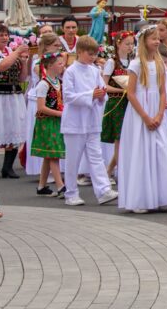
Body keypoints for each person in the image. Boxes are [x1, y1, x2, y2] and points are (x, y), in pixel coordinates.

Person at [117, 25, 167, 214]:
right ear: (144, 41)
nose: (157, 41)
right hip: (140, 113)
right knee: (141, 151)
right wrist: (146, 117)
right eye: (153, 38)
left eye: (158, 39)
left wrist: (160, 115)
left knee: (160, 151)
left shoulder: (160, 63)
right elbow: (131, 94)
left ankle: (161, 196)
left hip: (157, 112)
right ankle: (141, 198)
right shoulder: (136, 64)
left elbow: (162, 92)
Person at [59, 35, 118, 207]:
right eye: (89, 54)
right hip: (74, 123)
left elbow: (103, 91)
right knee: (73, 159)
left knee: (96, 157)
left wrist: (100, 95)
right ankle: (71, 193)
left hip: (92, 120)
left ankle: (103, 190)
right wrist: (91, 95)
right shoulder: (70, 72)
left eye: (94, 54)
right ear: (79, 52)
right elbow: (68, 97)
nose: (93, 57)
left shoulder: (94, 71)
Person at [25, 32, 63, 177]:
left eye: (59, 45)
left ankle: (48, 176)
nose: (58, 48)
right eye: (55, 46)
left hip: (52, 100)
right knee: (45, 136)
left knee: (53, 137)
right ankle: (41, 170)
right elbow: (44, 77)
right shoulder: (38, 62)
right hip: (40, 101)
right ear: (46, 47)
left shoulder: (56, 61)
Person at [0, 23, 31, 178]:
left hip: (13, 95)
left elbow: (23, 78)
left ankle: (8, 167)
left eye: (6, 35)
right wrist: (17, 52)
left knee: (13, 127)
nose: (4, 38)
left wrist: (23, 62)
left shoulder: (10, 51)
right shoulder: (3, 54)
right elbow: (1, 67)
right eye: (0, 35)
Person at [101, 31, 135, 182]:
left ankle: (109, 170)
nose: (130, 47)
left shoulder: (133, 61)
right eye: (127, 43)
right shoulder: (112, 62)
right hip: (117, 103)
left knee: (128, 138)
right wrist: (123, 90)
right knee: (119, 139)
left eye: (132, 44)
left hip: (131, 102)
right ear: (118, 44)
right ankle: (120, 173)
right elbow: (104, 86)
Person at [32, 52, 67, 197]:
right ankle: (60, 187)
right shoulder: (43, 84)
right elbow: (41, 107)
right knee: (53, 154)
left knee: (49, 154)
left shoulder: (59, 82)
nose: (62, 66)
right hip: (46, 122)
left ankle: (41, 187)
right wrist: (61, 113)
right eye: (60, 64)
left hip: (56, 121)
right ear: (50, 66)